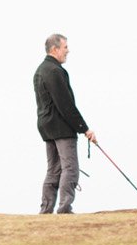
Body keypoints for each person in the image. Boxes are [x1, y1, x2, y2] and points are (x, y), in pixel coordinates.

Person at [33, 33, 97, 214]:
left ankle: (46, 210)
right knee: (70, 168)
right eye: (65, 47)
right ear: (55, 49)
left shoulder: (40, 70)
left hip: (46, 126)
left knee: (53, 169)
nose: (68, 51)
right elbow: (65, 105)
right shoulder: (54, 71)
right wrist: (85, 129)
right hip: (60, 127)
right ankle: (64, 208)